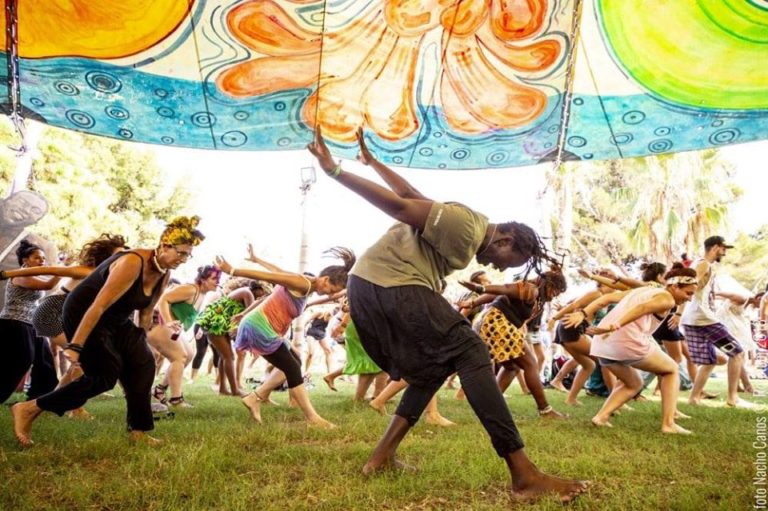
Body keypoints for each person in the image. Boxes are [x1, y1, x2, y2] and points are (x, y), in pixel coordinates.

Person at [308, 127, 588, 503]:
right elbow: (400, 206)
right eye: (510, 261)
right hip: (391, 283)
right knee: (471, 351)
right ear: (504, 239)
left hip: (372, 286)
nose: (502, 270)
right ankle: (524, 474)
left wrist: (374, 163)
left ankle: (380, 458)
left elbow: (410, 195)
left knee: (431, 369)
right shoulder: (468, 227)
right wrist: (334, 172)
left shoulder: (463, 228)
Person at [10, 216, 205, 446]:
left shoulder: (164, 272)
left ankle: (138, 431)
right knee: (104, 375)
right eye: (181, 253)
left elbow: (146, 310)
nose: (183, 259)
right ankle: (29, 408)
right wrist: (76, 345)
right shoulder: (132, 262)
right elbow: (98, 305)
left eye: (188, 255)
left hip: (117, 318)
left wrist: (140, 343)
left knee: (143, 364)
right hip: (83, 312)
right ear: (164, 246)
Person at [215, 246, 355, 428]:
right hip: (260, 327)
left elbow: (277, 271)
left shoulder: (305, 284)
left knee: (294, 360)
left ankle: (257, 397)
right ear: (326, 279)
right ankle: (312, 418)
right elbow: (270, 277)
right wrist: (233, 270)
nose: (329, 293)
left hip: (265, 327)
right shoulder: (303, 283)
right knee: (292, 368)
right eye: (330, 289)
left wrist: (257, 259)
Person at [583, 264, 697, 434]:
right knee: (671, 369)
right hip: (625, 341)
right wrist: (616, 325)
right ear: (674, 286)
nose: (689, 299)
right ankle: (669, 424)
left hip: (603, 345)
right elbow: (641, 309)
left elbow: (608, 298)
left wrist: (585, 315)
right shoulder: (667, 298)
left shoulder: (646, 289)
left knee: (634, 383)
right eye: (688, 293)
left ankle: (601, 417)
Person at [459, 269, 568, 419]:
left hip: (493, 322)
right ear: (547, 284)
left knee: (512, 367)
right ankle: (545, 410)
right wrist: (480, 289)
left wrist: (473, 302)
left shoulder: (532, 290)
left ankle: (492, 407)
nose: (555, 294)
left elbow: (499, 293)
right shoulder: (531, 289)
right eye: (555, 290)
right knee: (530, 363)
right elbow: (504, 288)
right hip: (497, 323)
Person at [679, 236, 752, 407]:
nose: (725, 252)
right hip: (703, 318)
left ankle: (694, 398)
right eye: (723, 248)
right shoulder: (703, 263)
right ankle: (733, 398)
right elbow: (687, 286)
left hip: (693, 319)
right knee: (737, 353)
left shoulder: (700, 263)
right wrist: (677, 312)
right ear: (715, 247)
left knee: (709, 361)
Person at [150, 265, 221, 407]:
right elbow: (164, 299)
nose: (217, 281)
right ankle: (176, 399)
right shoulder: (191, 289)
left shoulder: (201, 293)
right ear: (203, 279)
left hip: (170, 327)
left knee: (188, 354)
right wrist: (169, 321)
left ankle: (160, 390)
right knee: (179, 356)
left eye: (218, 278)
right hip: (157, 324)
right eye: (214, 278)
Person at [0, 239, 61, 403]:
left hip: (32, 323)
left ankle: (42, 398)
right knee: (22, 360)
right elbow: (49, 286)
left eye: (43, 258)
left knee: (44, 359)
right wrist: (61, 271)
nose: (42, 261)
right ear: (25, 260)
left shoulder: (33, 275)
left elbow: (49, 285)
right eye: (37, 258)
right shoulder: (20, 276)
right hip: (15, 322)